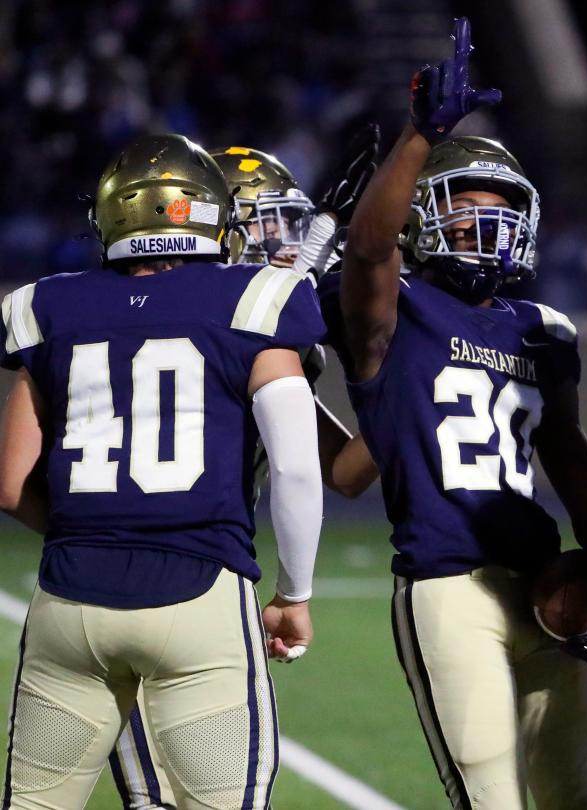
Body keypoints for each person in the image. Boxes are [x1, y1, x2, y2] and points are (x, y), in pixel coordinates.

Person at [321, 17, 587, 810]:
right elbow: (369, 254)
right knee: (490, 797)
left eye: (500, 207)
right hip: (447, 583)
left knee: (583, 793)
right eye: (465, 205)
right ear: (422, 215)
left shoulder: (542, 328)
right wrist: (418, 135)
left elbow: (575, 470)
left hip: (542, 578)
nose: (485, 220)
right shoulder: (396, 313)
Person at [0, 133, 326, 810]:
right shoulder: (257, 296)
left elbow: (9, 484)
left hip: (69, 600)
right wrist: (294, 595)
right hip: (200, 593)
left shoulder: (46, 304)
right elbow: (296, 467)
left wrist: (95, 533)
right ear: (211, 214)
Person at [107, 140, 381, 810]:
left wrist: (406, 384)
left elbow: (347, 471)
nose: (284, 248)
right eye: (264, 230)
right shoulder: (209, 327)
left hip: (151, 579)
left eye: (291, 230)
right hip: (170, 577)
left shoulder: (227, 329)